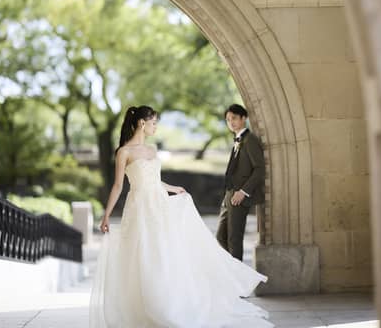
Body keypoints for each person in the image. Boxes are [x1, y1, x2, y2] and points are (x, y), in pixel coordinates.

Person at [89, 105, 273, 328]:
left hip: (158, 204)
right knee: (142, 255)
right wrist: (106, 216)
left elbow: (155, 181)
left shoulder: (152, 150)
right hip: (139, 207)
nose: (156, 126)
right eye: (154, 122)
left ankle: (167, 304)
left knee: (162, 254)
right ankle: (144, 307)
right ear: (142, 123)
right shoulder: (124, 152)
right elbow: (118, 186)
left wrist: (173, 188)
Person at [217, 104, 265, 261]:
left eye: (234, 118)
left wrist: (243, 192)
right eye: (228, 119)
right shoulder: (238, 140)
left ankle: (237, 280)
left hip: (240, 195)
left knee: (234, 239)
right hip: (229, 194)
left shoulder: (250, 140)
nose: (231, 122)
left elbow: (259, 169)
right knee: (220, 236)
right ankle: (233, 270)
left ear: (244, 118)